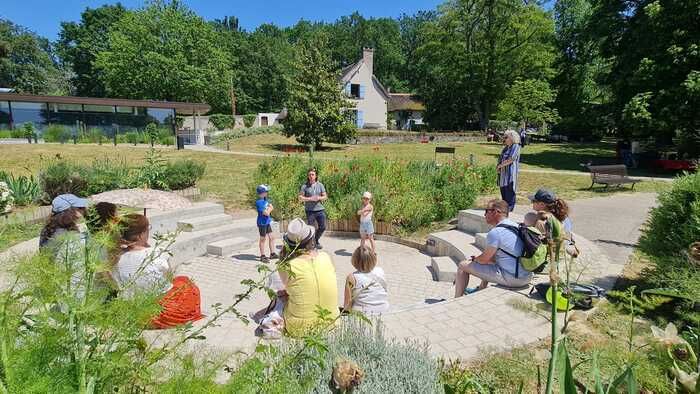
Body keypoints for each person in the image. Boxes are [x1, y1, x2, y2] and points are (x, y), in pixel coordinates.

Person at [113, 214, 203, 329]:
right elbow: (170, 278)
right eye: (147, 229)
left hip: (132, 308)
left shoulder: (116, 258)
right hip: (158, 311)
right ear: (141, 235)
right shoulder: (157, 253)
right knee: (186, 283)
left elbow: (118, 284)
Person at [454, 199, 532, 297]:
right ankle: (481, 288)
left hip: (514, 279)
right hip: (527, 276)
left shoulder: (496, 232)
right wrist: (480, 260)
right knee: (489, 262)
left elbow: (484, 259)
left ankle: (456, 298)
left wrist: (474, 259)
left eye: (487, 211)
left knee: (462, 265)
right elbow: (491, 259)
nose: (484, 214)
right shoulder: (516, 226)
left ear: (495, 212)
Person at [278, 218, 339, 336]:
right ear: (311, 239)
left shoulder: (286, 266)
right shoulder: (326, 256)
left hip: (299, 328)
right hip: (331, 320)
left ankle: (261, 315)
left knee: (279, 295)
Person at [343, 245, 389, 315]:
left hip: (364, 314)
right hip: (384, 310)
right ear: (373, 258)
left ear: (354, 260)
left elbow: (347, 306)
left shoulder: (352, 277)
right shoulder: (380, 271)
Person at [528, 188, 569, 261]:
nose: (531, 203)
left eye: (533, 201)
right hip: (561, 254)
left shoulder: (541, 222)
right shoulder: (561, 216)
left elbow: (536, 245)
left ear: (542, 204)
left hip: (549, 259)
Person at [299, 168, 328, 249]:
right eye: (309, 175)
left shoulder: (320, 185)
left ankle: (315, 240)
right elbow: (300, 197)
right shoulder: (304, 186)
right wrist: (310, 199)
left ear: (316, 176)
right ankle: (312, 244)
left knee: (323, 227)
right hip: (310, 211)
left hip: (320, 210)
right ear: (308, 176)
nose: (311, 176)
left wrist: (318, 198)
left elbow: (325, 196)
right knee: (311, 229)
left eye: (312, 174)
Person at [497, 130, 522, 212]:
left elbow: (511, 159)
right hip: (503, 176)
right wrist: (498, 168)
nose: (504, 139)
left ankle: (509, 211)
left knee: (510, 193)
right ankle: (504, 210)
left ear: (512, 137)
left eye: (506, 137)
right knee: (504, 194)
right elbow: (501, 159)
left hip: (510, 175)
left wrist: (500, 166)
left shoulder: (516, 146)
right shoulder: (506, 148)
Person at [255, 184, 277, 263]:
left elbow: (268, 210)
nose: (267, 193)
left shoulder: (265, 200)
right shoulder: (259, 202)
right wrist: (270, 208)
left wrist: (269, 208)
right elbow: (266, 213)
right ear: (262, 192)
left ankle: (272, 253)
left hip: (267, 222)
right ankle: (262, 255)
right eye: (266, 191)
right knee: (263, 239)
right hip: (262, 223)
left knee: (272, 237)